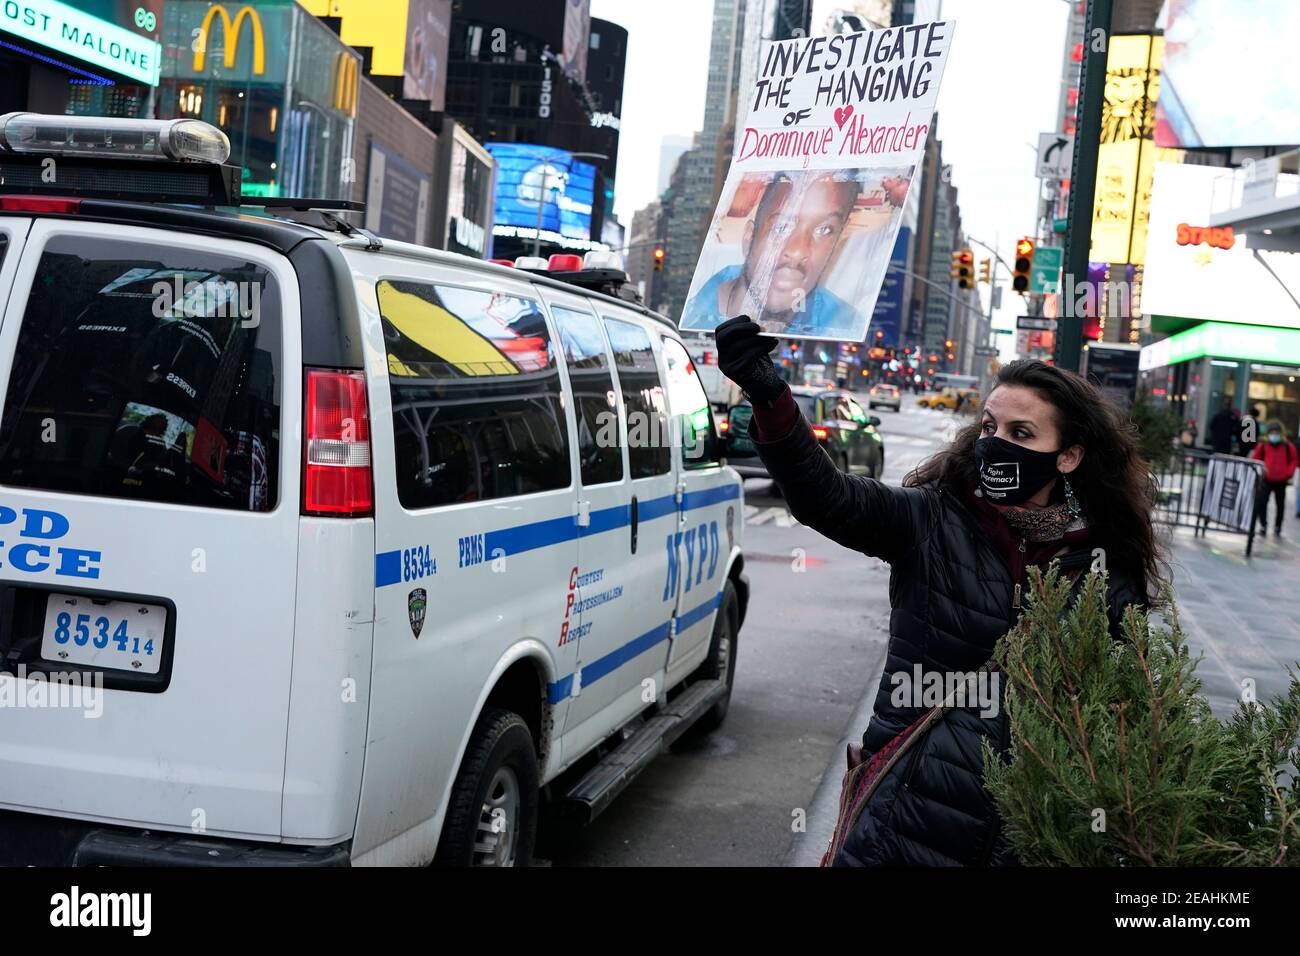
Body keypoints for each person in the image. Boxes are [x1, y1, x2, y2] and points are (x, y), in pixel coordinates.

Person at [715, 315, 1160, 866]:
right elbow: (824, 496)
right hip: (901, 826)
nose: (997, 445)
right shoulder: (932, 521)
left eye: (1022, 435)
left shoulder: (1103, 571)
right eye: (992, 428)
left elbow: (1117, 723)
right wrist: (767, 392)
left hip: (1020, 842)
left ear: (1068, 456)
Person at [681, 171, 876, 339]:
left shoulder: (844, 325)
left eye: (824, 230)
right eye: (781, 227)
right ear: (749, 237)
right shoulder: (694, 316)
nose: (798, 251)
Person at [1250, 422, 1298, 537]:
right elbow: (1255, 460)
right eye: (1272, 433)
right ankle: (1263, 525)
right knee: (1262, 502)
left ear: (1281, 434)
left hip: (1281, 480)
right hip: (1266, 479)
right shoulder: (1263, 446)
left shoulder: (1288, 446)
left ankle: (1278, 526)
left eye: (1276, 433)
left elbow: (1294, 460)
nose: (1274, 435)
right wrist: (1260, 473)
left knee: (1280, 504)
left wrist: (1288, 473)